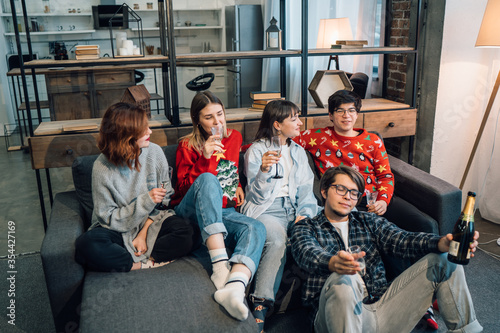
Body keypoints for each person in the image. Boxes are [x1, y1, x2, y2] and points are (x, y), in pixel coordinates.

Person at [290, 165, 482, 333]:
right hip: (333, 318)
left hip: (381, 309)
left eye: (354, 193)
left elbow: (402, 239)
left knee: (445, 258)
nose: (348, 197)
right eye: (340, 189)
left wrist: (441, 242)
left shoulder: (367, 220)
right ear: (324, 191)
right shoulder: (306, 227)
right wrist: (333, 263)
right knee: (345, 276)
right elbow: (306, 252)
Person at [170, 90, 266, 322]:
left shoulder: (233, 137)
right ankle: (220, 267)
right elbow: (183, 190)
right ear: (197, 121)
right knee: (207, 179)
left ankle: (234, 287)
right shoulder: (186, 145)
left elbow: (229, 168)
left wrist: (237, 185)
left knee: (256, 228)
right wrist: (204, 157)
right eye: (208, 117)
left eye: (219, 114)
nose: (217, 122)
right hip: (189, 212)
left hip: (223, 210)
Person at [75, 102, 197, 272]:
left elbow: (165, 202)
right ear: (126, 135)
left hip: (151, 222)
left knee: (188, 231)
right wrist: (146, 201)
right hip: (116, 229)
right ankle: (139, 264)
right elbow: (107, 219)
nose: (150, 132)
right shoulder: (101, 168)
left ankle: (135, 261)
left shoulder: (155, 153)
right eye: (144, 129)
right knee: (87, 244)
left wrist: (143, 232)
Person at [242, 100, 318, 331]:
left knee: (323, 231)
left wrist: (304, 215)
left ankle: (320, 303)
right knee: (277, 240)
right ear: (277, 124)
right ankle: (260, 307)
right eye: (294, 118)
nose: (300, 122)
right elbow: (256, 197)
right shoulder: (256, 151)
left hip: (294, 209)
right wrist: (264, 171)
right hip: (267, 209)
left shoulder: (298, 152)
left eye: (298, 117)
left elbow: (306, 190)